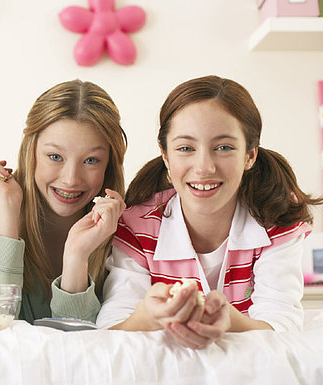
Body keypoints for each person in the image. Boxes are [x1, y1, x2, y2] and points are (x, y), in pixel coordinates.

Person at [97, 75, 323, 349]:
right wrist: (148, 315)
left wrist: (230, 321)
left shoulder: (276, 219)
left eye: (224, 147)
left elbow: (282, 327)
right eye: (185, 148)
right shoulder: (136, 227)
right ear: (166, 156)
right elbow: (112, 330)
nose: (204, 167)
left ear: (250, 155)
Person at [0, 79, 127, 323]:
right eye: (55, 156)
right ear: (31, 152)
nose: (71, 179)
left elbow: (83, 350)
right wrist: (6, 211)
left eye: (91, 160)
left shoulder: (128, 235)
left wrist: (76, 257)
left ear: (109, 163)